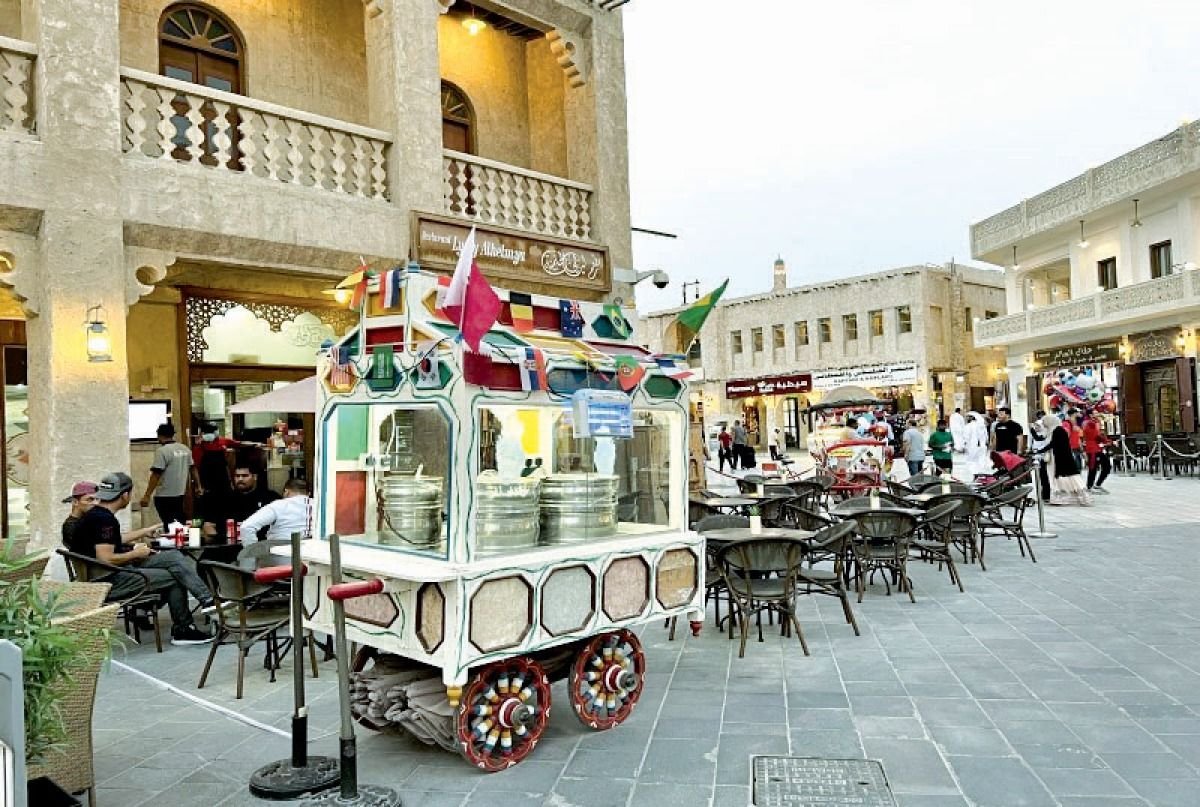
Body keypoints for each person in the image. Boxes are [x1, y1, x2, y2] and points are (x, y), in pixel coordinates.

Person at [67, 472, 213, 645]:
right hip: (108, 580)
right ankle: (184, 628)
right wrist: (136, 554)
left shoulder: (96, 515)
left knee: (173, 557)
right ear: (125, 495)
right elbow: (106, 558)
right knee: (174, 577)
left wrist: (144, 532)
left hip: (104, 573)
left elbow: (111, 540)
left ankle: (207, 601)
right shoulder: (104, 519)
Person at [140, 423, 202, 529]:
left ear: (159, 435)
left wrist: (147, 495)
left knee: (169, 524)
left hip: (164, 495)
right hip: (180, 493)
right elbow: (193, 469)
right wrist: (198, 486)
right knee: (178, 522)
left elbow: (156, 474)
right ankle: (182, 537)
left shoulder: (162, 451)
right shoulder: (185, 449)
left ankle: (174, 538)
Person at [203, 463, 281, 543]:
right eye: (237, 476)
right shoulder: (223, 499)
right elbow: (208, 525)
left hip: (261, 545)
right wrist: (218, 540)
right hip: (228, 546)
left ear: (255, 477)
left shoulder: (270, 497)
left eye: (244, 476)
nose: (240, 479)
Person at [1040, 414, 1092, 506]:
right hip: (1062, 458)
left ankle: (1079, 498)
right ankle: (1064, 498)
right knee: (1065, 478)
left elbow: (1053, 444)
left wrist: (1040, 450)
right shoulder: (1056, 430)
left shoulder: (1058, 431)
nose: (1043, 424)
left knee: (1070, 478)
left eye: (1044, 422)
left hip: (1063, 458)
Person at [238, 478, 312, 542]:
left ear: (286, 492)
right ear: (308, 493)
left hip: (279, 550)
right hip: (311, 551)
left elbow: (246, 527)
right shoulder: (317, 505)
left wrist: (253, 552)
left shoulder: (279, 505)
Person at [61, 481, 98, 546]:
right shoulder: (72, 527)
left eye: (97, 499)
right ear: (75, 502)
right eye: (90, 499)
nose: (96, 503)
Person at [1082, 414, 1112, 494]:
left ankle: (1097, 485)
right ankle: (1089, 486)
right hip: (1092, 450)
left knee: (1106, 466)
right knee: (1093, 468)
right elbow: (1096, 436)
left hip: (1096, 449)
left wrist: (1106, 441)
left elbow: (1098, 437)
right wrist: (1105, 440)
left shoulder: (1094, 424)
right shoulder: (1090, 424)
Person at [1029, 410, 1052, 502]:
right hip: (1036, 457)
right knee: (1040, 477)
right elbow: (1032, 442)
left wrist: (1031, 430)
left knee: (1045, 476)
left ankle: (1046, 494)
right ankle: (1042, 494)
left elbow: (1039, 439)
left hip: (1044, 457)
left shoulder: (1045, 434)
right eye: (1035, 426)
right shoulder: (1035, 434)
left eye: (1038, 426)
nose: (1036, 427)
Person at [963, 412, 990, 476]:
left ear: (971, 418)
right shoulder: (982, 426)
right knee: (981, 461)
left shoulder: (968, 426)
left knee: (972, 462)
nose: (966, 419)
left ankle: (975, 475)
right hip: (982, 447)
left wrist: (964, 446)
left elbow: (966, 438)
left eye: (967, 417)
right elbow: (986, 437)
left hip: (972, 447)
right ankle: (981, 475)